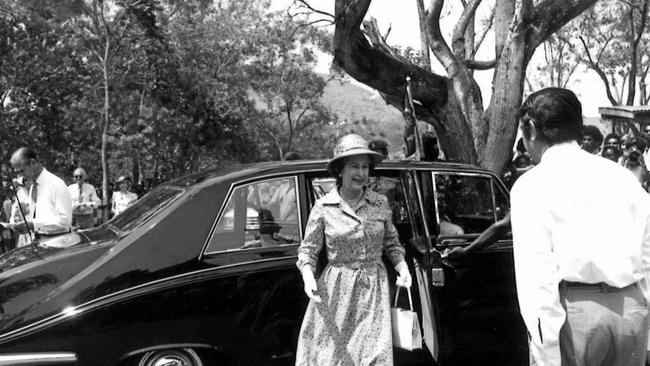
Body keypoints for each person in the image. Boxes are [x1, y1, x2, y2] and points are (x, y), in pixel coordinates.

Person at [511, 87, 650, 366]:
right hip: (632, 310)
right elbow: (647, 253)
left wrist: (546, 352)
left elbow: (536, 276)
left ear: (532, 130)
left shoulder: (530, 185)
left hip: (577, 317)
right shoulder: (622, 177)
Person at [295, 134, 412, 366]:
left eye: (365, 167)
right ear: (340, 169)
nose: (361, 173)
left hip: (373, 290)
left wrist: (403, 267)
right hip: (336, 292)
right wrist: (308, 277)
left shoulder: (379, 203)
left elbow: (392, 244)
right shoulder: (323, 207)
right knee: (331, 356)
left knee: (372, 356)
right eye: (354, 166)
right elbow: (307, 250)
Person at [8, 147, 72, 238]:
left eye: (22, 171)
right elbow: (38, 218)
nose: (20, 176)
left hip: (59, 243)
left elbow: (65, 222)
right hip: (40, 242)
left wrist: (33, 225)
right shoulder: (33, 187)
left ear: (33, 162)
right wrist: (23, 225)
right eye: (17, 172)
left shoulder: (56, 184)